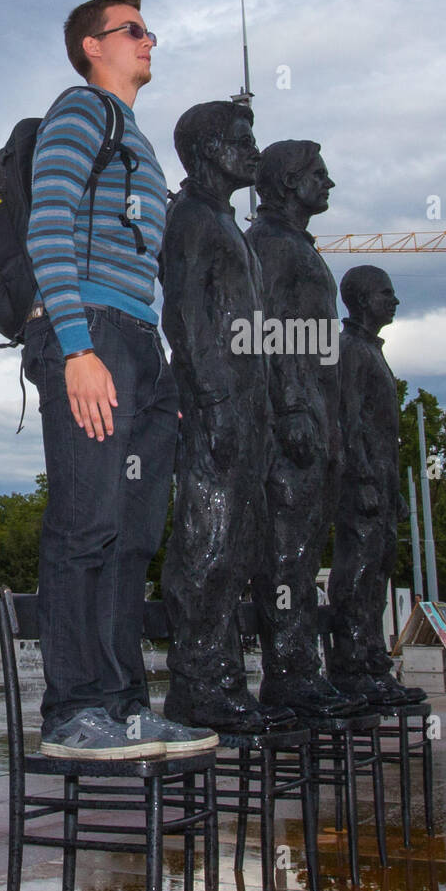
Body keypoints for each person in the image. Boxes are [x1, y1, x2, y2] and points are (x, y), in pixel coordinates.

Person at [22, 0, 216, 759]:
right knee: (86, 524)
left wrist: (159, 382)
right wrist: (76, 348)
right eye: (133, 30)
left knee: (133, 536)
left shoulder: (135, 140)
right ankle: (73, 712)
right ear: (91, 46)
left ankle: (126, 708)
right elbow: (46, 226)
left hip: (137, 343)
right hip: (89, 334)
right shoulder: (80, 112)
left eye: (148, 29)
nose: (149, 40)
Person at [160, 101, 292, 733]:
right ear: (209, 149)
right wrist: (213, 401)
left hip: (246, 407)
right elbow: (182, 317)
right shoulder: (190, 219)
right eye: (244, 140)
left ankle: (222, 679)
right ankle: (197, 686)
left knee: (235, 547)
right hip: (220, 408)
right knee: (206, 545)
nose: (254, 150)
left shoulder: (224, 223)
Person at [246, 141, 361, 719]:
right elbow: (265, 330)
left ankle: (302, 668)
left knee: (302, 548)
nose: (329, 183)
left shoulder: (295, 245)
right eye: (319, 174)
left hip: (315, 412)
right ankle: (289, 674)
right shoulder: (270, 245)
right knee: (285, 553)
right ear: (290, 182)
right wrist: (291, 407)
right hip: (291, 417)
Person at [326, 266, 425, 705]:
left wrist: (392, 489)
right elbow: (345, 420)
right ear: (364, 300)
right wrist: (361, 479)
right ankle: (351, 667)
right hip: (361, 485)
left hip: (380, 484)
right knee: (358, 574)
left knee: (377, 573)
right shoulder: (350, 350)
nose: (395, 301)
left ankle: (373, 662)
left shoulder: (370, 350)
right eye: (387, 293)